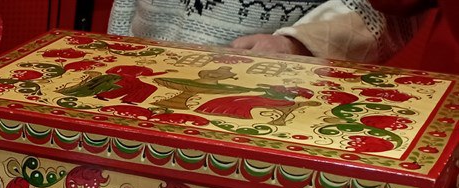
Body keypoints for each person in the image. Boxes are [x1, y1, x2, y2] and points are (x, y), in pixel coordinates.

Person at [107, 0, 421, 62]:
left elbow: (390, 10)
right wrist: (115, 51)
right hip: (145, 78)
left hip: (267, 93)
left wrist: (297, 44)